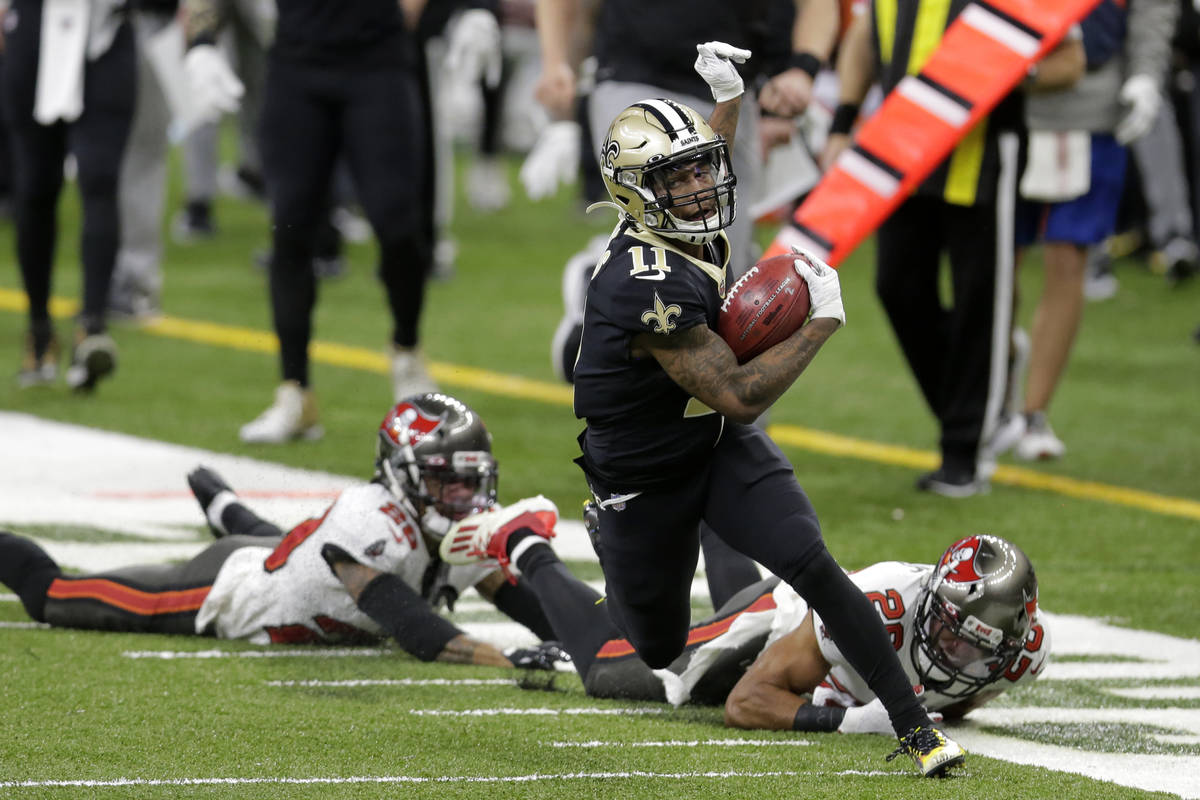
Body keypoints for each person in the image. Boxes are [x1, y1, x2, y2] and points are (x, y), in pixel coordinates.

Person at [561, 42, 965, 777]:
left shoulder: (680, 219)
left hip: (709, 444)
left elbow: (705, 159)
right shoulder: (640, 281)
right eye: (674, 177)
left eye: (697, 170)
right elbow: (742, 394)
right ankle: (621, 553)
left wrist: (730, 98)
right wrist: (821, 322)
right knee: (657, 645)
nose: (698, 186)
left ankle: (917, 731)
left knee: (811, 562)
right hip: (641, 476)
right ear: (635, 195)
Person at [0, 394, 563, 668]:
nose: (463, 499)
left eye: (470, 483)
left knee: (283, 539)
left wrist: (588, 643)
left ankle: (225, 506)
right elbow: (414, 628)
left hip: (291, 561)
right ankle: (227, 516)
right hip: (230, 589)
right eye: (446, 482)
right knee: (56, 596)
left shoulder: (453, 529)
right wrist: (509, 660)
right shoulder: (372, 518)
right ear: (401, 476)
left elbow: (531, 605)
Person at [443, 525, 1047, 736]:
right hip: (785, 616)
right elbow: (746, 701)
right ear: (930, 605)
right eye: (947, 633)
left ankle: (710, 508)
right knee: (619, 672)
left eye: (975, 646)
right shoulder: (879, 608)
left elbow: (953, 698)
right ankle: (525, 543)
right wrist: (848, 717)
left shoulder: (1023, 655)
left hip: (816, 652)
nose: (955, 652)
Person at [182, 0, 438, 444]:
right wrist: (201, 39)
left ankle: (406, 349)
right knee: (290, 227)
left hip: (377, 62)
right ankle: (295, 391)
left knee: (397, 224)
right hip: (297, 63)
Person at [990, 0, 1177, 462]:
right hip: (1007, 101)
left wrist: (1146, 74)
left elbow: (1153, 7)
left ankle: (1034, 413)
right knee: (996, 265)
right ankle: (994, 399)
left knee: (1068, 259)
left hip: (1090, 104)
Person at [3, 0, 136, 391]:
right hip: (35, 28)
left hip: (105, 32)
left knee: (100, 179)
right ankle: (39, 328)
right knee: (34, 189)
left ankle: (92, 326)